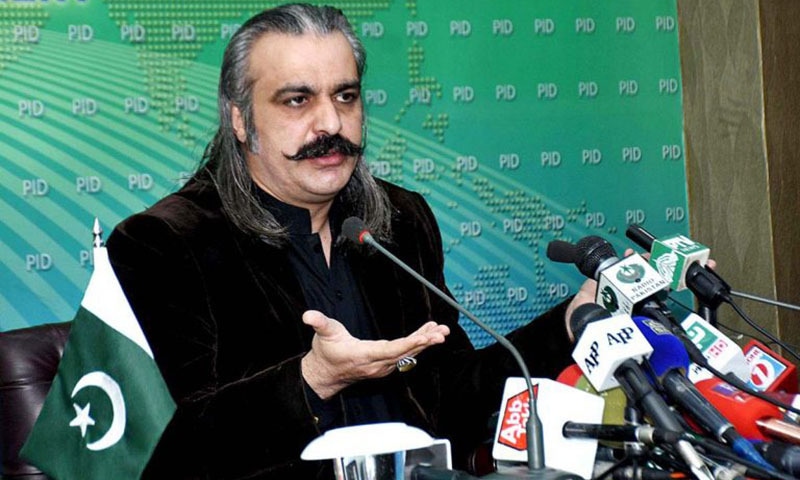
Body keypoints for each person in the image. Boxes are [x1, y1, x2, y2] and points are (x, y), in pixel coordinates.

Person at [106, 3, 591, 478]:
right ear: (240, 119)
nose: (331, 124)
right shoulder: (165, 243)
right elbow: (168, 449)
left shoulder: (399, 221)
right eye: (297, 100)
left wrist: (570, 324)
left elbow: (449, 395)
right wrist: (314, 378)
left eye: (345, 96)